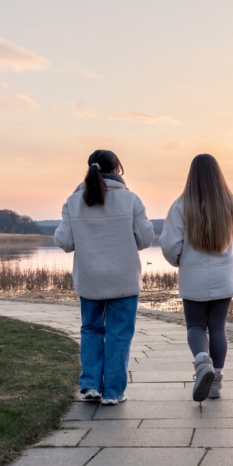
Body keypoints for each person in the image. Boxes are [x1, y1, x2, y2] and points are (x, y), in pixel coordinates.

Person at [54, 149, 154, 405]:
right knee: (119, 334)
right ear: (117, 169)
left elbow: (64, 242)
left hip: (90, 279)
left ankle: (89, 385)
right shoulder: (131, 200)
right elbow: (144, 240)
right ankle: (113, 392)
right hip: (123, 278)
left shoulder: (74, 201)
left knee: (91, 329)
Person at [160, 153, 233, 401]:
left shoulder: (180, 206)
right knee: (218, 328)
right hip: (223, 276)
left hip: (193, 275)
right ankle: (216, 382)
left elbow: (169, 244)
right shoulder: (230, 205)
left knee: (196, 326)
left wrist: (179, 261)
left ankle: (203, 364)